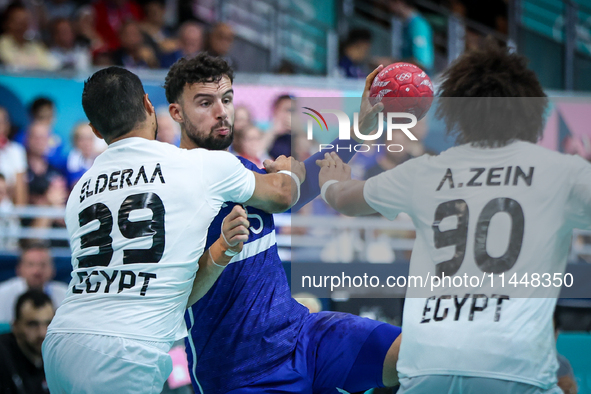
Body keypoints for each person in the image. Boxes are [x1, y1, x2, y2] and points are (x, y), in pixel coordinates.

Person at [317, 44, 574, 393]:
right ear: (531, 109)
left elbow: (343, 199)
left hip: (426, 368)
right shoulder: (562, 172)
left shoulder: (426, 170)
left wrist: (331, 179)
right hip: (515, 369)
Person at [41, 66, 304, 394]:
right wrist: (293, 172)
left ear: (95, 130)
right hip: (128, 351)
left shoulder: (78, 192)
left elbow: (172, 289)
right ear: (149, 105)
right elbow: (280, 194)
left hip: (60, 342)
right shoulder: (197, 164)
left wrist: (220, 251)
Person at [164, 53, 401, 394]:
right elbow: (292, 190)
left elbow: (299, 191)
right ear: (177, 112)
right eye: (205, 102)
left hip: (304, 336)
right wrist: (290, 177)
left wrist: (359, 131)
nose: (221, 111)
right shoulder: (175, 183)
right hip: (242, 373)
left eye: (227, 99)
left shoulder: (239, 168)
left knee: (415, 355)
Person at [0, 289, 54, 394]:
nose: (42, 333)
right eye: (33, 324)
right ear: (15, 326)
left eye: (48, 323)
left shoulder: (59, 355)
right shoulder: (2, 357)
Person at [0, 243, 66, 324]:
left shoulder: (65, 295)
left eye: (43, 265)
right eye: (30, 265)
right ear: (19, 268)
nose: (36, 271)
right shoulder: (2, 294)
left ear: (53, 269)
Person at [0, 3, 57, 70]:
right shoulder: (2, 44)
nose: (22, 25)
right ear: (6, 23)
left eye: (25, 20)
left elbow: (50, 66)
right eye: (18, 21)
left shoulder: (36, 46)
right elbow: (11, 64)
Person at [389, 0, 434, 73]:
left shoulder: (418, 26)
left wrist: (390, 65)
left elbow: (421, 62)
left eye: (389, 2)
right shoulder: (406, 25)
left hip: (417, 82)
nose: (389, 7)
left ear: (399, 2)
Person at [0, 106, 27, 205]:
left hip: (8, 214)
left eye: (2, 122)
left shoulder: (17, 151)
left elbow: (20, 194)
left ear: (7, 125)